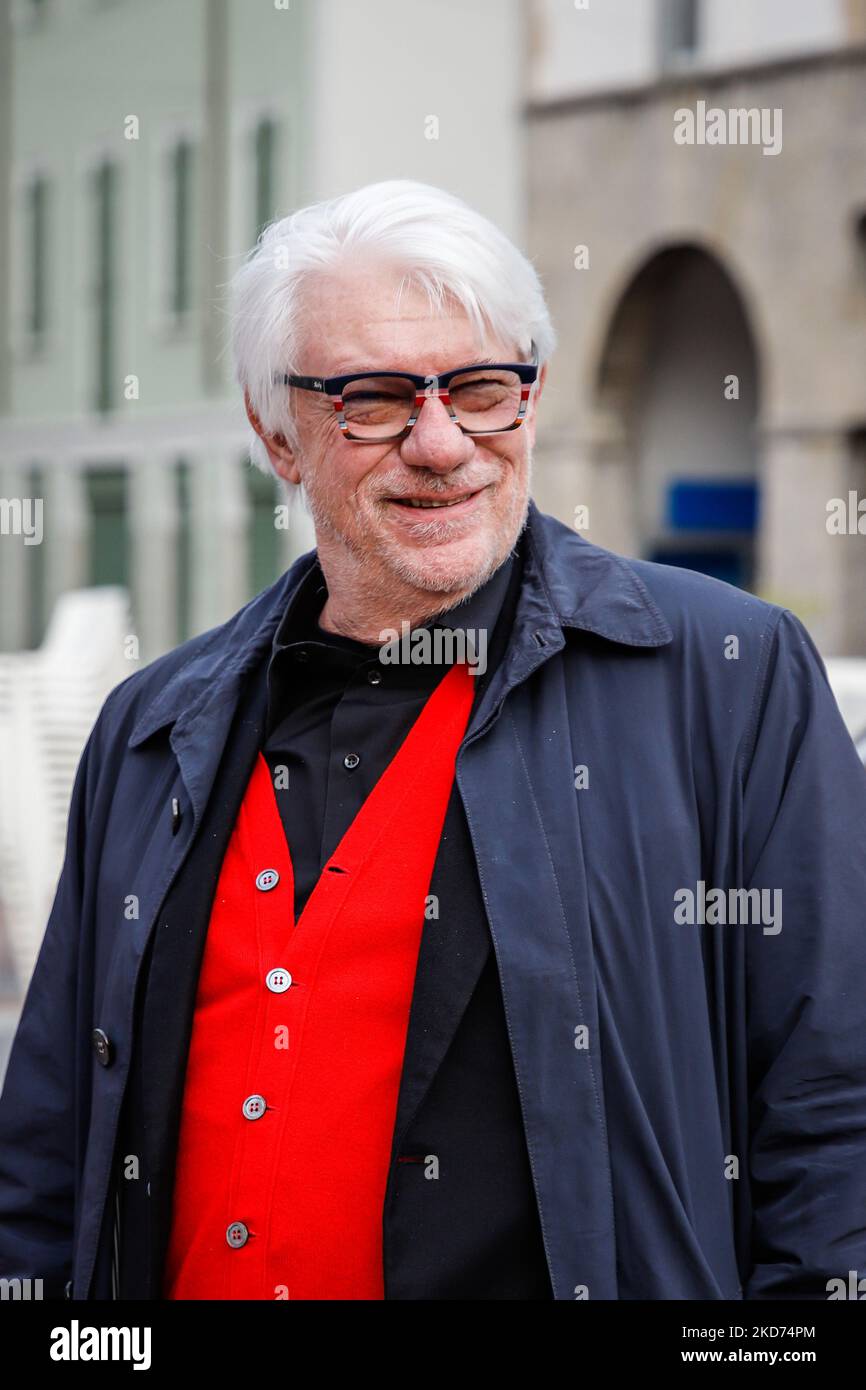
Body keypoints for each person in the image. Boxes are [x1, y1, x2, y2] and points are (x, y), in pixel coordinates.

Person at [1, 180, 864, 1301]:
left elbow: (834, 1112)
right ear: (276, 431)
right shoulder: (155, 723)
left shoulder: (724, 678)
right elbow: (47, 1143)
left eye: (480, 387)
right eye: (371, 399)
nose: (442, 441)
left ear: (532, 398)